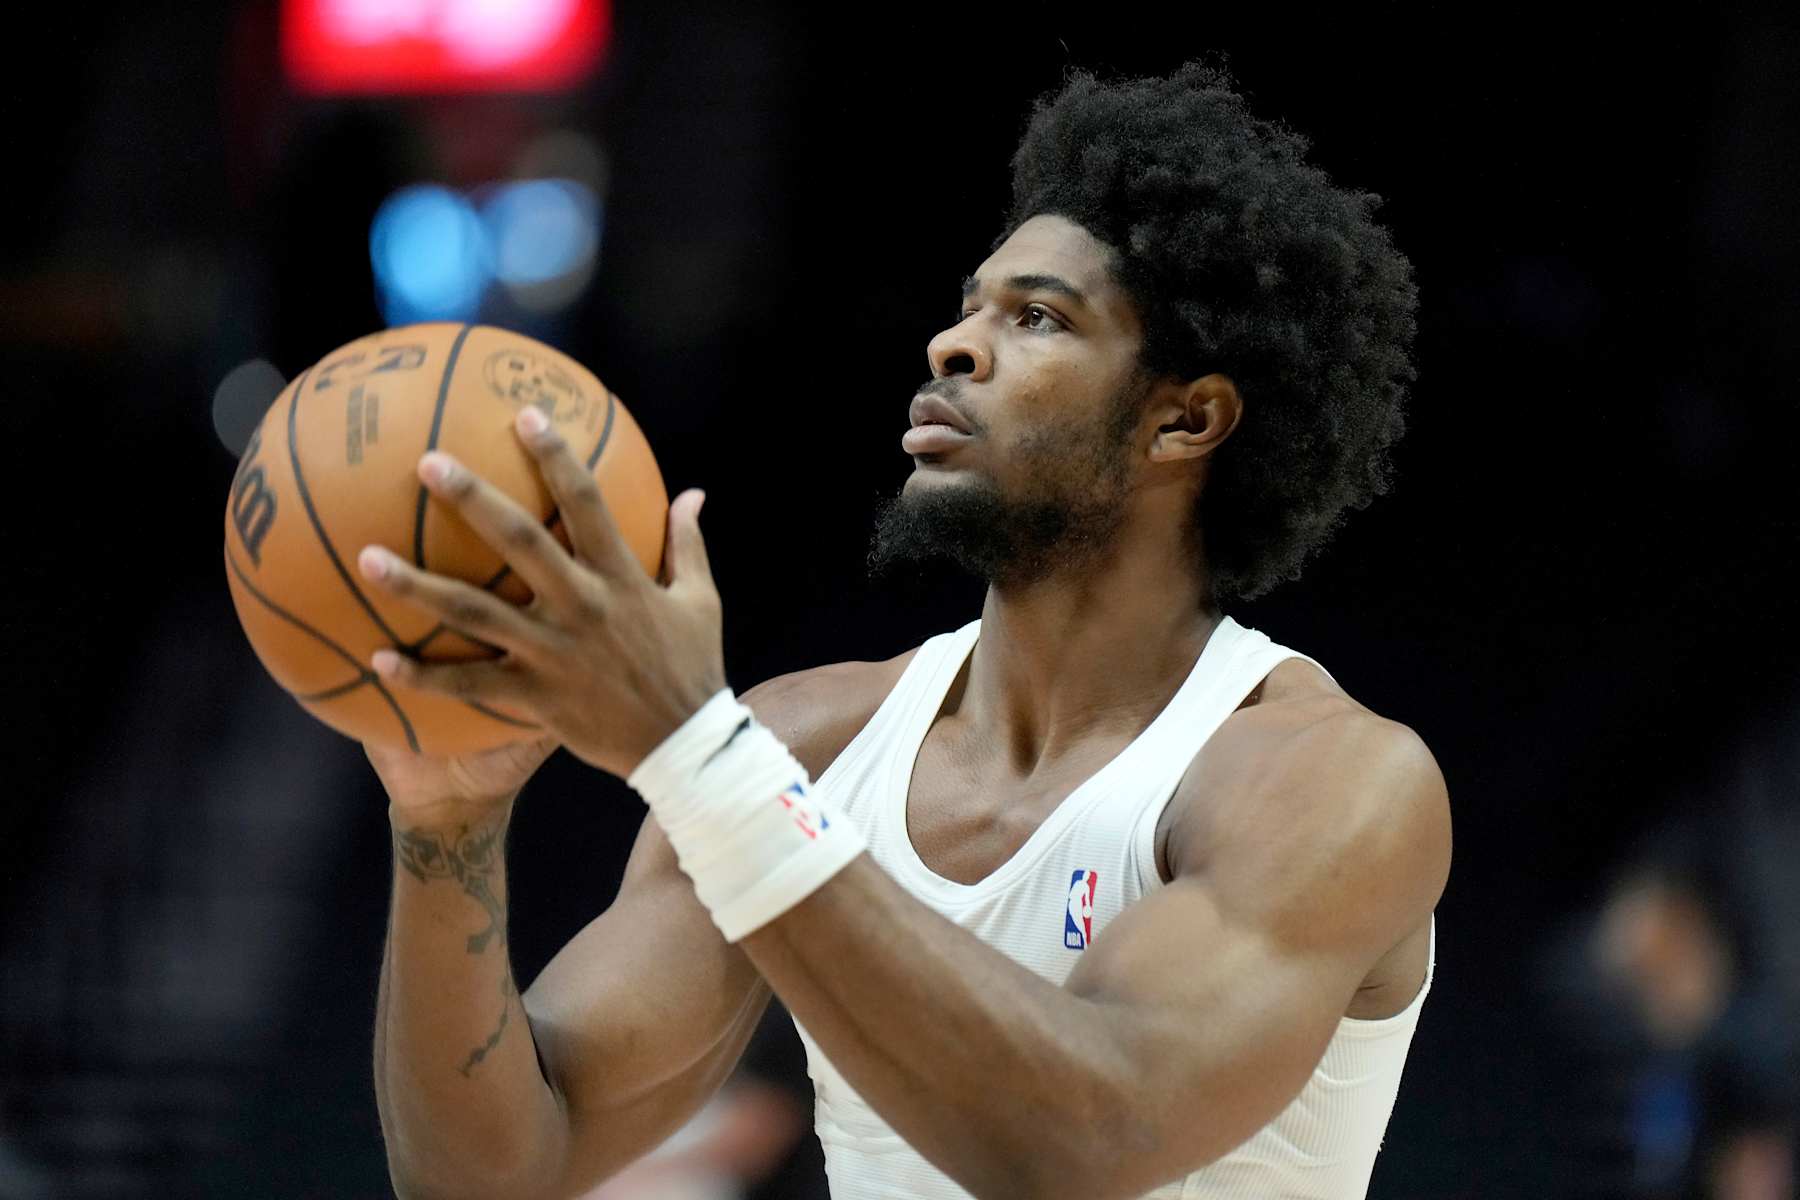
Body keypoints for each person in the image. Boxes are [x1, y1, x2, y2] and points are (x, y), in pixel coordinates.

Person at [360, 56, 1449, 1200]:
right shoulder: (806, 747)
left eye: (1036, 317)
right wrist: (449, 830)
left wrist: (698, 756)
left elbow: (1082, 1144)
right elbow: (486, 1178)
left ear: (1187, 418)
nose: (952, 345)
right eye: (969, 304)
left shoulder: (1330, 782)